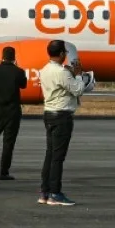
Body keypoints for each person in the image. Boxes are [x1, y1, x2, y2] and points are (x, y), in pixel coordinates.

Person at [39, 39, 88, 206]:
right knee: (58, 157)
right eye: (65, 53)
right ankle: (55, 193)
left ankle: (45, 192)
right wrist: (79, 74)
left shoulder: (44, 70)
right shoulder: (62, 72)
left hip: (49, 113)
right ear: (61, 54)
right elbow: (78, 89)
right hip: (62, 115)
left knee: (50, 154)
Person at [0, 46, 26, 181]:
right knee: (8, 142)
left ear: (2, 56)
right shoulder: (18, 71)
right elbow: (23, 85)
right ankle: (4, 172)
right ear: (14, 58)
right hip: (12, 110)